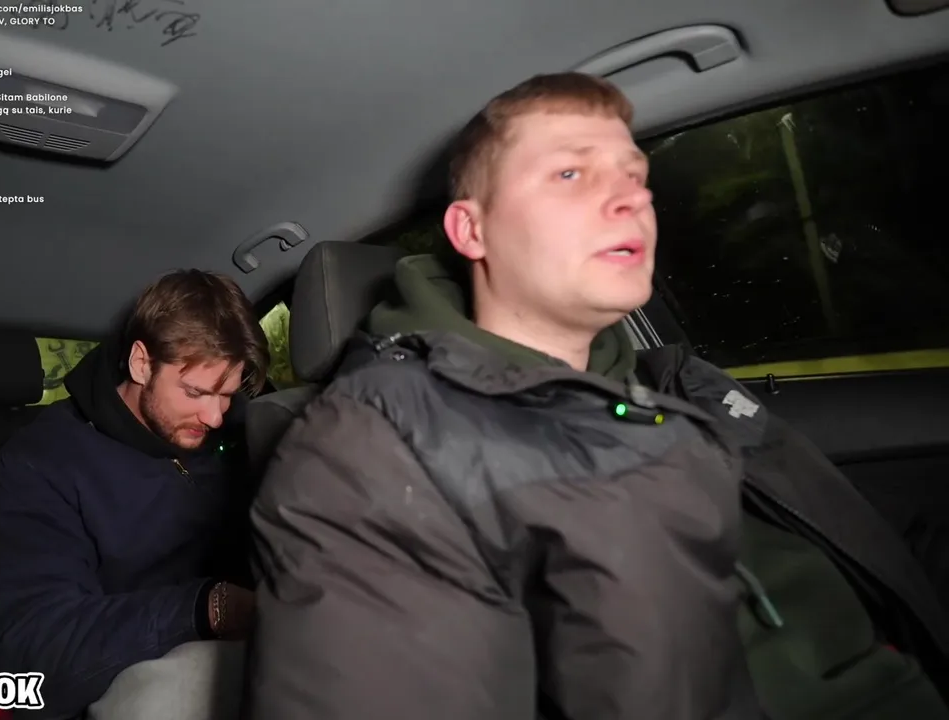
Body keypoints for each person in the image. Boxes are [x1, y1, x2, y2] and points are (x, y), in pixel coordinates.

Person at [246, 73, 949, 720]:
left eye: (635, 175)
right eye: (570, 173)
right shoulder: (374, 452)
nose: (631, 199)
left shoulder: (676, 385)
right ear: (471, 229)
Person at [0, 269, 268, 719]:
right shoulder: (41, 464)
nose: (215, 416)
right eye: (195, 392)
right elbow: (24, 654)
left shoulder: (246, 430)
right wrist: (205, 609)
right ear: (141, 363)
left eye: (227, 394)